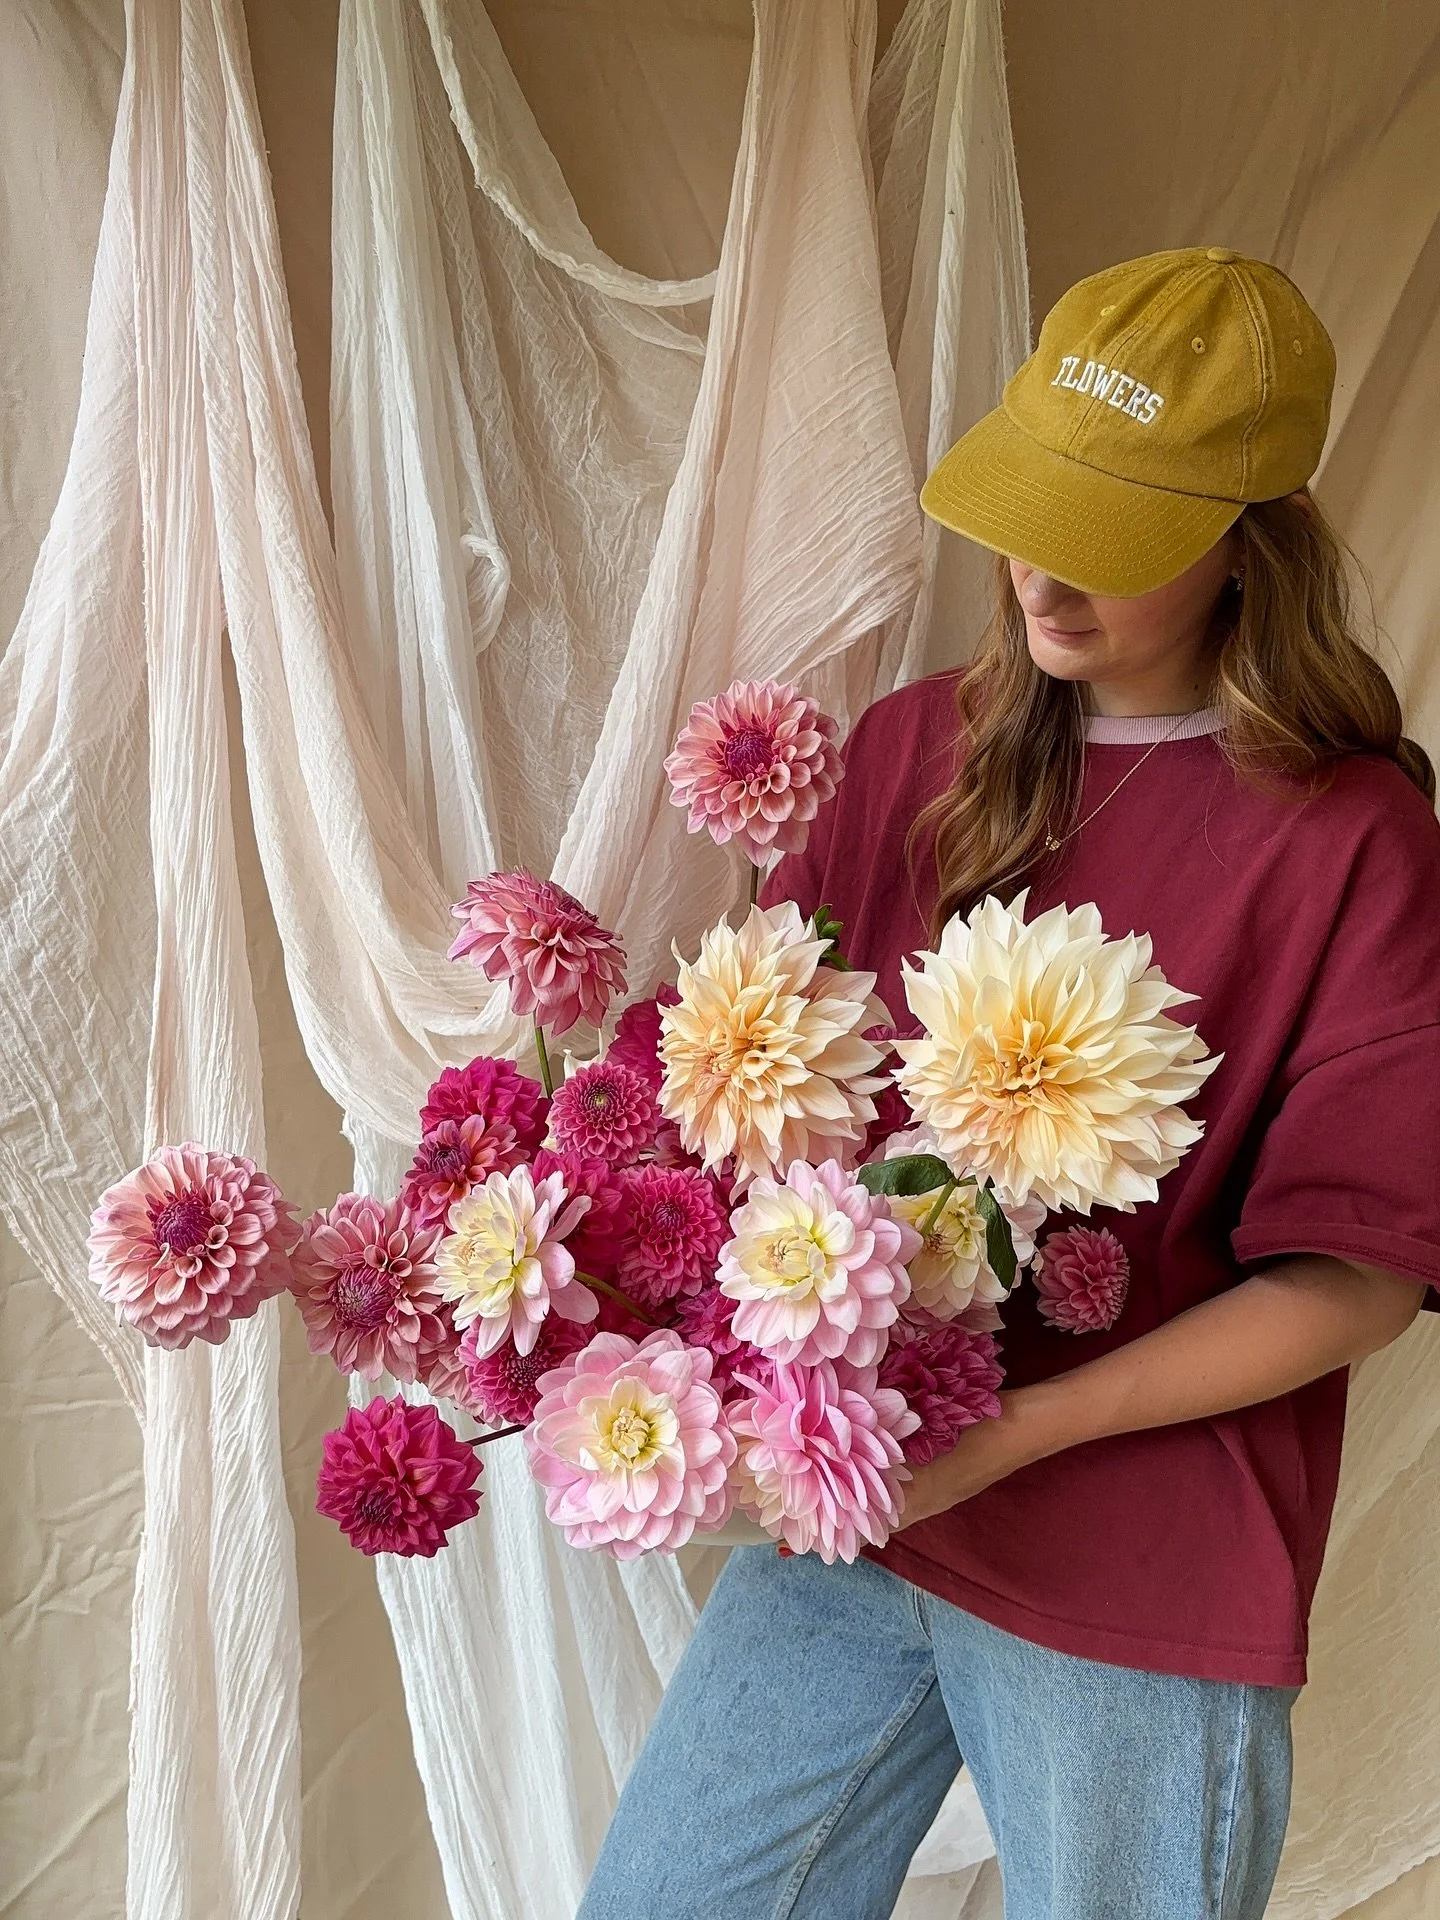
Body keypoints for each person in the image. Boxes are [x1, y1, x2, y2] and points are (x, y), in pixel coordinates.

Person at [579, 247, 1440, 1919]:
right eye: (1030, 499)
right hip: (870, 1506)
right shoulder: (919, 751)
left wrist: (1014, 1433)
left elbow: (1360, 1278)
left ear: (1249, 534)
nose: (1042, 571)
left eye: (1110, 529)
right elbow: (764, 1107)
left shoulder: (1357, 840)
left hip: (1140, 1553)